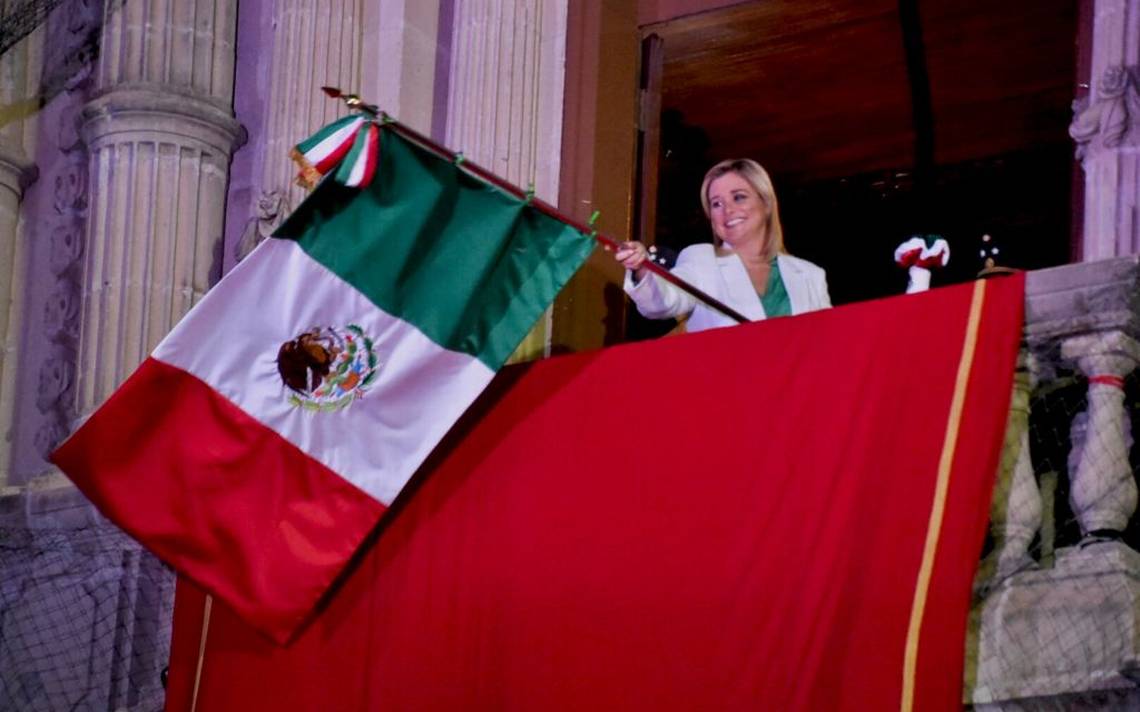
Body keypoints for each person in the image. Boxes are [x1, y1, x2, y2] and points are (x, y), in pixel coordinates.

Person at [614, 158, 831, 333]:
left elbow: (831, 342)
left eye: (739, 197)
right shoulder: (701, 260)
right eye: (716, 203)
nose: (727, 209)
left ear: (765, 203)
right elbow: (664, 301)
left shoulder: (810, 275)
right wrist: (641, 268)